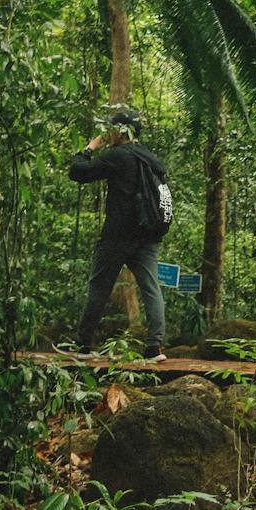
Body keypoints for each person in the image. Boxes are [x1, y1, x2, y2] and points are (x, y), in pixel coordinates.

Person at [66, 108, 168, 361]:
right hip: (147, 234)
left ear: (120, 131)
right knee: (151, 288)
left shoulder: (118, 156)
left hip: (117, 235)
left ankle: (83, 345)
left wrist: (90, 147)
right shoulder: (150, 158)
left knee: (99, 287)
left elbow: (78, 171)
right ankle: (154, 347)